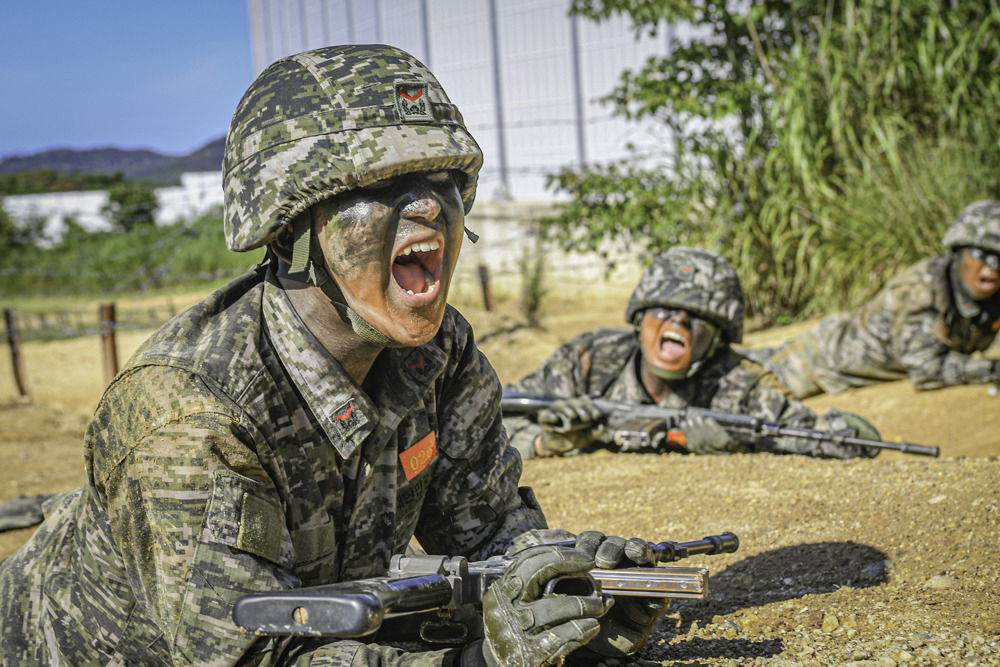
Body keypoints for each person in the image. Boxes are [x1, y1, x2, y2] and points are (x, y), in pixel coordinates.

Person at [0, 45, 665, 666]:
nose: (431, 205)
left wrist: (572, 584)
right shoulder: (187, 408)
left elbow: (485, 526)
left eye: (443, 180)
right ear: (289, 229)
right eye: (383, 186)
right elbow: (254, 654)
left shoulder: (439, 354)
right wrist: (478, 658)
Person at [504, 246, 882, 460]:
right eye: (664, 310)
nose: (679, 321)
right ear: (639, 320)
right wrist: (546, 442)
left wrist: (738, 444)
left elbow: (828, 439)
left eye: (697, 317)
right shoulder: (590, 359)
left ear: (718, 339)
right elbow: (487, 429)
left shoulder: (742, 383)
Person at [755, 200, 1000, 399]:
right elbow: (927, 371)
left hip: (841, 348)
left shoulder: (988, 292)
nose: (993, 267)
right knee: (747, 385)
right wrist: (991, 370)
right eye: (981, 254)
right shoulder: (919, 291)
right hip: (820, 360)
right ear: (958, 252)